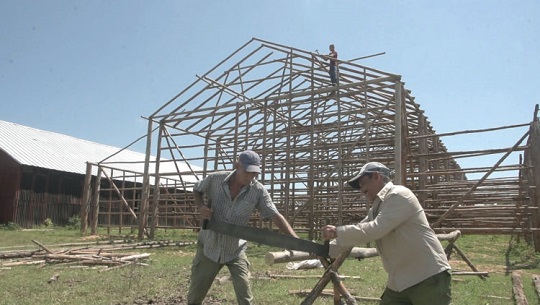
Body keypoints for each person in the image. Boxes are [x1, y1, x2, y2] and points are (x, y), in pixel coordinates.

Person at [321, 162, 452, 305]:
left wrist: (337, 232)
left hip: (426, 276)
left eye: (363, 184)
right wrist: (328, 249)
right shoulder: (377, 207)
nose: (362, 190)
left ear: (376, 176)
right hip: (399, 281)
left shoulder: (399, 195)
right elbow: (360, 230)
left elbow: (375, 229)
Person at [187, 149, 298, 305]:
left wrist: (296, 240)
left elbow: (274, 215)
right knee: (194, 297)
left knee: (245, 298)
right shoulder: (215, 179)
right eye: (248, 172)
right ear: (237, 166)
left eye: (255, 173)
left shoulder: (258, 191)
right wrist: (201, 206)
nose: (251, 176)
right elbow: (197, 189)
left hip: (235, 249)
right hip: (209, 247)